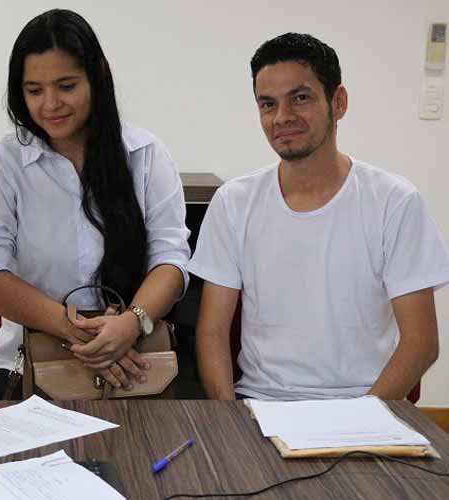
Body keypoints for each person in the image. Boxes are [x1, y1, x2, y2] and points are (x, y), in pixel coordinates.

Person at [189, 33, 449, 401]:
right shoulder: (234, 202)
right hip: (262, 406)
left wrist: (360, 419)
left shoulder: (394, 201)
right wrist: (229, 420)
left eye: (300, 97)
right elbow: (212, 332)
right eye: (267, 104)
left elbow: (421, 344)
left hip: (366, 407)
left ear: (338, 102)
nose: (282, 117)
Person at [0, 9, 191, 399]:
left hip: (136, 366)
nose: (50, 104)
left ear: (97, 77)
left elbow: (171, 260)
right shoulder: (5, 162)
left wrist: (131, 324)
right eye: (34, 91)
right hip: (27, 363)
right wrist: (76, 332)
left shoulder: (146, 155)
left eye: (66, 86)